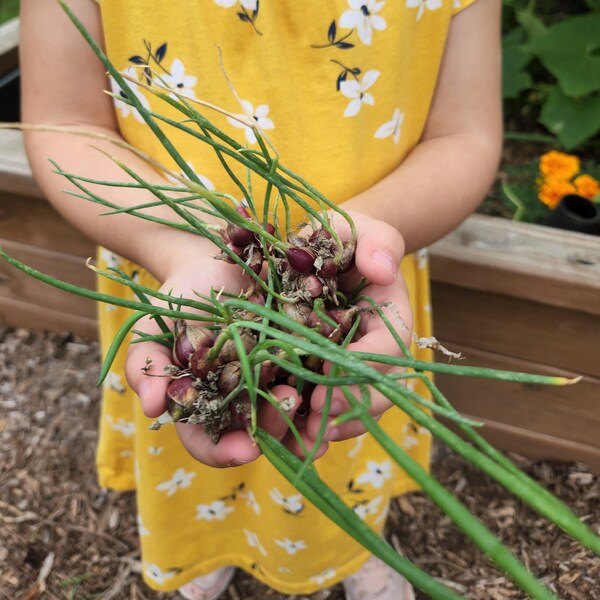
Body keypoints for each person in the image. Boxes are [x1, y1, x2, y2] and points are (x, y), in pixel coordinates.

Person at [20, 0, 502, 598]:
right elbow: (65, 123)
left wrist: (365, 229)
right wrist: (185, 245)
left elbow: (465, 133)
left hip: (357, 284)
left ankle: (350, 546)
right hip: (172, 267)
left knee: (338, 413)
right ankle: (206, 548)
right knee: (218, 416)